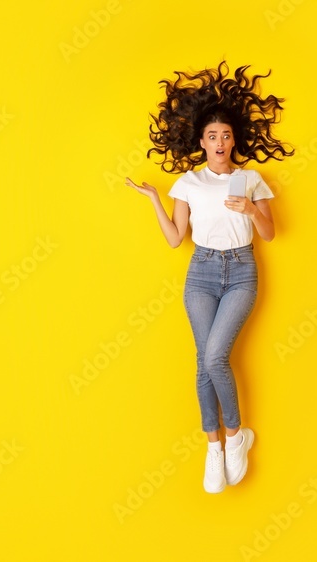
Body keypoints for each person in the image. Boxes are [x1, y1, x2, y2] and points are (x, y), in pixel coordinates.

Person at [125, 61, 294, 493]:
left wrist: (253, 210)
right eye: (212, 136)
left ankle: (236, 436)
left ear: (234, 139)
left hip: (240, 271)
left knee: (215, 356)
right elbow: (175, 238)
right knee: (203, 363)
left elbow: (272, 234)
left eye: (226, 136)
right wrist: (154, 202)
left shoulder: (251, 179)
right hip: (200, 271)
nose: (220, 142)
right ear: (201, 142)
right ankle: (213, 445)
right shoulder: (189, 182)